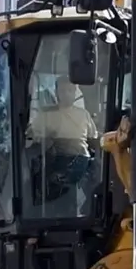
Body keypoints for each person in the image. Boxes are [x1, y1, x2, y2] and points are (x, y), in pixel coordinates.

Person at [26, 79, 99, 210]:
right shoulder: (47, 115)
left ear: (75, 92)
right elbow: (31, 136)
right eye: (63, 90)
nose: (67, 94)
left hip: (82, 162)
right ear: (56, 92)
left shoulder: (83, 115)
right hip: (56, 161)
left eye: (70, 90)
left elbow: (93, 139)